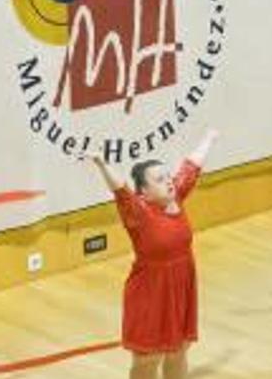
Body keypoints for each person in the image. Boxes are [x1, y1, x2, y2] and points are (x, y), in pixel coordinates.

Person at [87, 129, 218, 379]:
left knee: (180, 350)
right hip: (150, 294)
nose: (169, 181)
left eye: (167, 176)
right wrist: (102, 163)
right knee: (148, 359)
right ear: (143, 193)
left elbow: (190, 168)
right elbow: (121, 191)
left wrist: (209, 139)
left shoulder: (176, 197)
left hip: (180, 287)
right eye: (159, 179)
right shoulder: (139, 214)